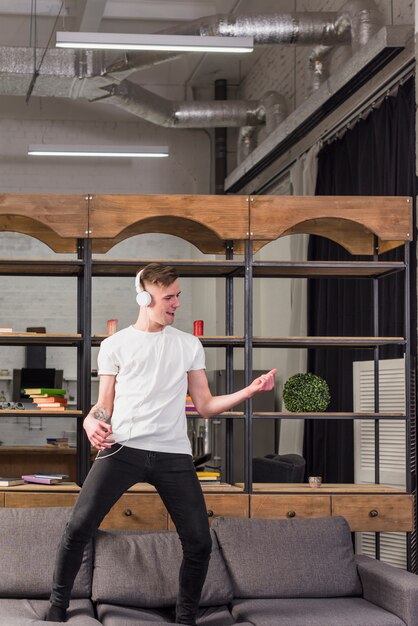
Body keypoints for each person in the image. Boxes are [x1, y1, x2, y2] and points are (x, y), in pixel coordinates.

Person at [46, 262, 277, 625]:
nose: (176, 304)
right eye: (169, 297)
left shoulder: (188, 345)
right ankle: (57, 609)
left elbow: (205, 407)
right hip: (122, 449)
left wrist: (250, 390)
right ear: (144, 297)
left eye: (178, 296)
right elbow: (104, 405)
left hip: (172, 454)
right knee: (77, 528)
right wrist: (92, 420)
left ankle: (185, 619)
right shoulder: (115, 345)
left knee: (199, 542)